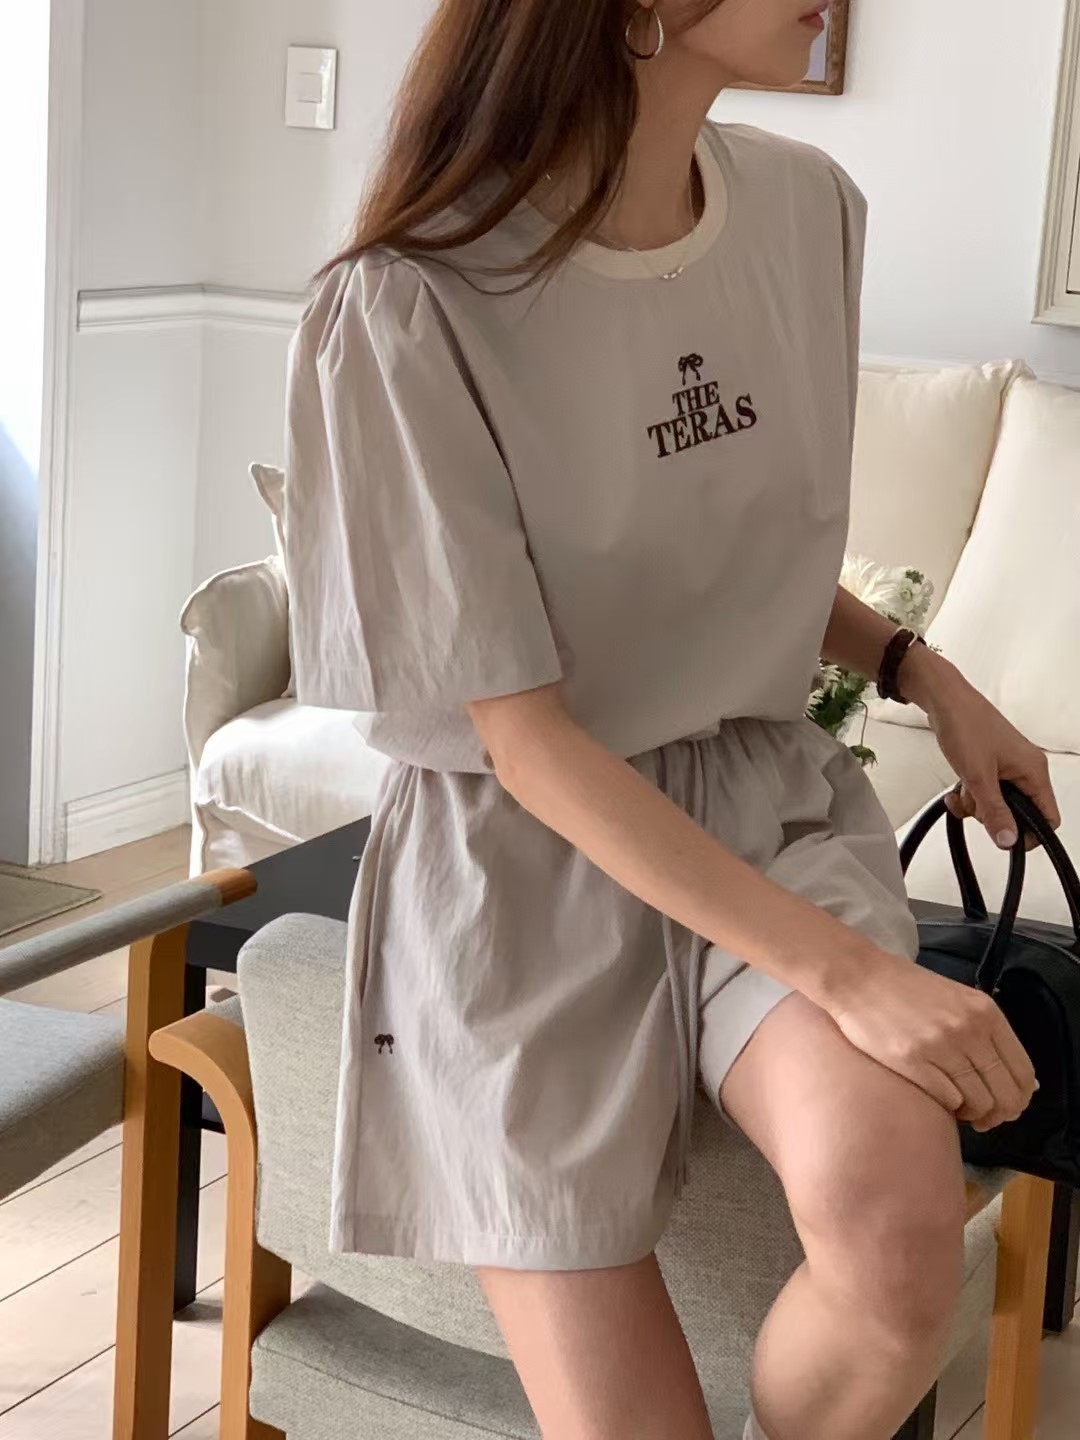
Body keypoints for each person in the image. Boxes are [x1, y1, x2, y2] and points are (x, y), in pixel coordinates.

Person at [282, 2, 1057, 1437]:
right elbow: (526, 739)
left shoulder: (807, 213)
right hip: (528, 864)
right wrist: (852, 975)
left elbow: (734, 539)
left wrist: (926, 675)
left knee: (896, 1249)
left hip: (765, 807)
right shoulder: (410, 303)